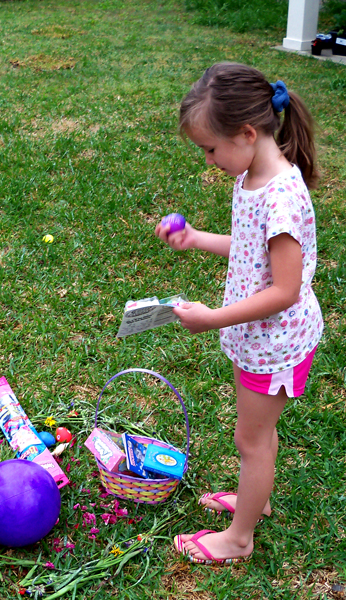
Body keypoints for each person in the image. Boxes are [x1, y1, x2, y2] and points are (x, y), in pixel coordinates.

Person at [156, 63, 323, 565]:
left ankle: (239, 537)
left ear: (248, 133)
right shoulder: (254, 175)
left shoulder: (282, 197)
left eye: (210, 148)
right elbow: (251, 249)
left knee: (251, 441)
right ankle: (257, 500)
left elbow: (287, 289)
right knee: (256, 436)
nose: (209, 160)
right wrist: (194, 239)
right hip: (259, 339)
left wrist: (213, 318)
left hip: (276, 343)